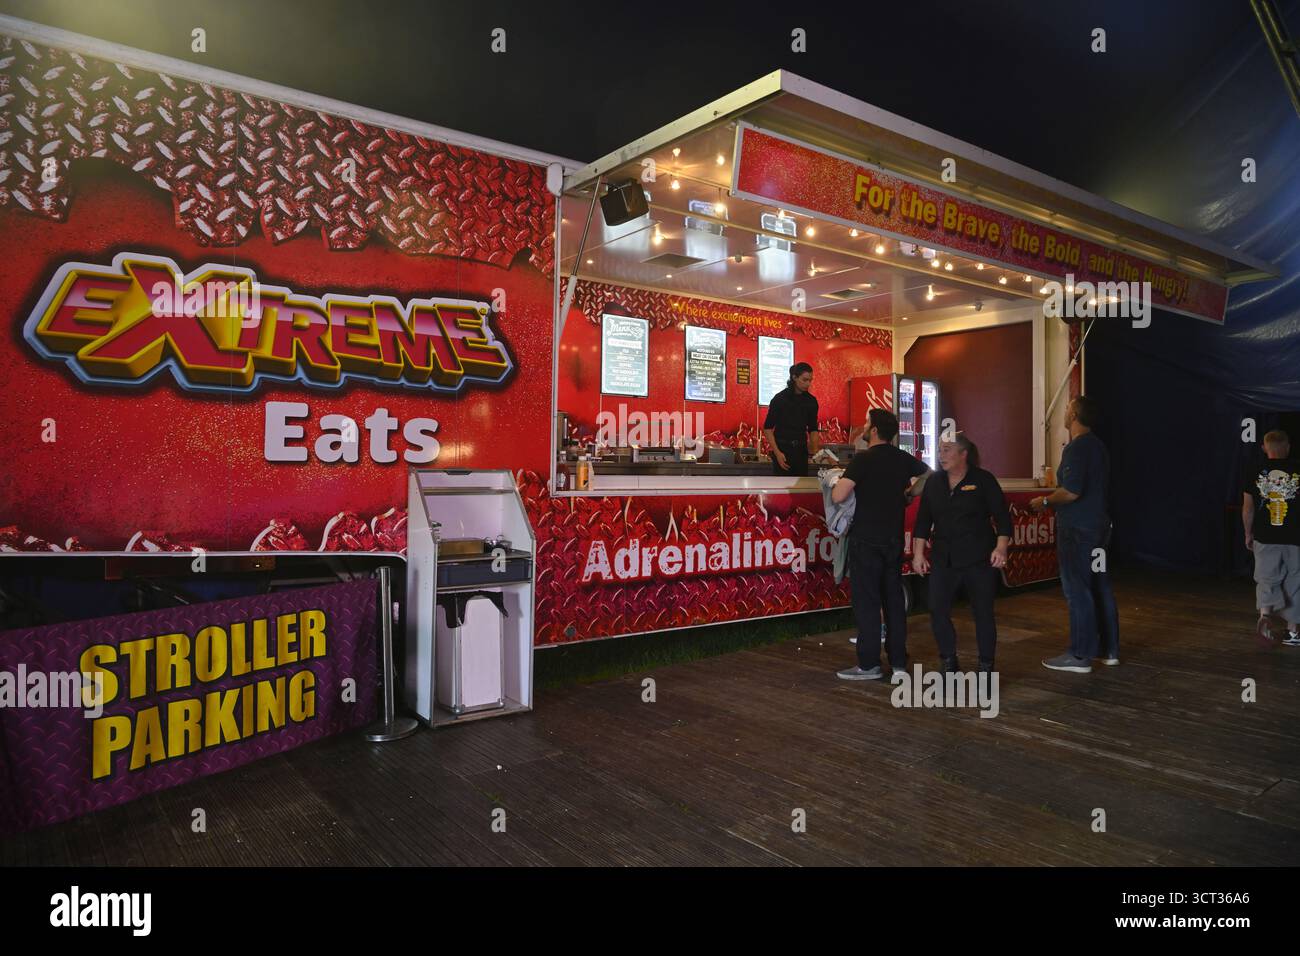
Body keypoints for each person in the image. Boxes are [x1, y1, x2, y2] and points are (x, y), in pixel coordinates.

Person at [831, 408, 929, 680]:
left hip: (865, 540)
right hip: (893, 540)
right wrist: (909, 494)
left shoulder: (863, 460)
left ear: (874, 431)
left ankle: (868, 663)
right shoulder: (902, 458)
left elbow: (839, 495)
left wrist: (836, 480)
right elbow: (930, 474)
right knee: (893, 600)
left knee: (867, 602)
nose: (863, 426)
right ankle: (898, 662)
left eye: (866, 423)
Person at [1032, 395, 1119, 673]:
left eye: (1068, 408)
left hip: (1078, 530)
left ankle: (1080, 655)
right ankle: (1109, 650)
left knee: (1077, 589)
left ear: (1074, 415)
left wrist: (1044, 501)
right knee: (1100, 586)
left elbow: (1071, 491)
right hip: (1099, 529)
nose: (1065, 412)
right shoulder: (1100, 447)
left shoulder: (1077, 449)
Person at [912, 432, 1011, 673]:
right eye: (939, 450)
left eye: (947, 450)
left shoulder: (983, 480)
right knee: (937, 609)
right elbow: (923, 520)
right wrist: (918, 553)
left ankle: (986, 666)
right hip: (944, 557)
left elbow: (1003, 518)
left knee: (983, 612)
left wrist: (1000, 547)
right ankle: (948, 660)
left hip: (979, 556)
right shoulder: (933, 482)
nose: (941, 455)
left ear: (963, 454)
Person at [1243, 430, 1300, 645]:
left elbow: (1248, 509)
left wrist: (1248, 533)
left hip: (1266, 536)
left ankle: (1265, 617)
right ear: (1287, 447)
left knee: (1266, 578)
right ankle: (1293, 632)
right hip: (1296, 536)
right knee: (1297, 580)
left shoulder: (1254, 470)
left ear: (1264, 448)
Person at [763, 362, 820, 477]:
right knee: (780, 490)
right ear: (794, 377)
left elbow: (813, 429)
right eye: (805, 380)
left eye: (810, 380)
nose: (808, 384)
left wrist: (816, 451)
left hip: (801, 452)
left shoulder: (811, 401)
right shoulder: (779, 399)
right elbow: (767, 428)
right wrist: (777, 453)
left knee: (801, 489)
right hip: (782, 451)